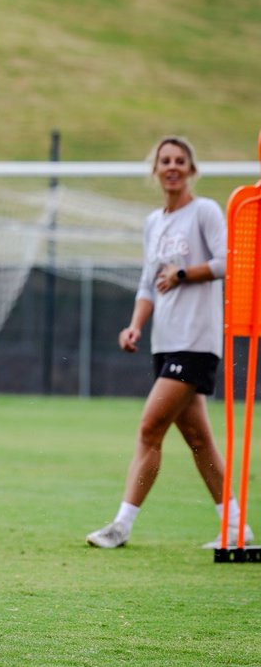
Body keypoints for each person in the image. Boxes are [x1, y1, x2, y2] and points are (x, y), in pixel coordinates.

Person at [86, 135, 253, 550]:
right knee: (198, 440)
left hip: (196, 341)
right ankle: (235, 526)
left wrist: (184, 275)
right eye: (166, 160)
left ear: (191, 170)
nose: (173, 166)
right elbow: (148, 283)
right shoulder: (153, 222)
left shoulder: (205, 211)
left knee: (149, 428)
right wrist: (135, 326)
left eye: (181, 160)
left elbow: (229, 261)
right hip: (166, 342)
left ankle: (121, 525)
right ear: (156, 170)